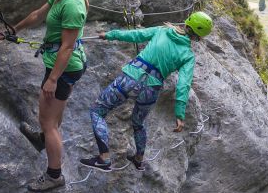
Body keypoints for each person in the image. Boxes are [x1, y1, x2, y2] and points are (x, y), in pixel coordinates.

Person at [0, 0, 89, 192]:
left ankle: (54, 175)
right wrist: (14, 29)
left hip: (63, 67)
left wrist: (52, 79)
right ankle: (43, 139)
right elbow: (39, 14)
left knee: (47, 121)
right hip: (63, 65)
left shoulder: (72, 5)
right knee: (52, 116)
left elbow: (68, 47)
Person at [80, 11, 213, 172]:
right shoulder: (188, 55)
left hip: (130, 78)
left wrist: (110, 35)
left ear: (187, 22)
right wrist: (179, 114)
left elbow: (136, 35)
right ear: (198, 37)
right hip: (151, 89)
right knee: (138, 124)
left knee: (97, 111)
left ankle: (104, 158)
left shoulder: (162, 30)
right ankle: (139, 159)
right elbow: (183, 85)